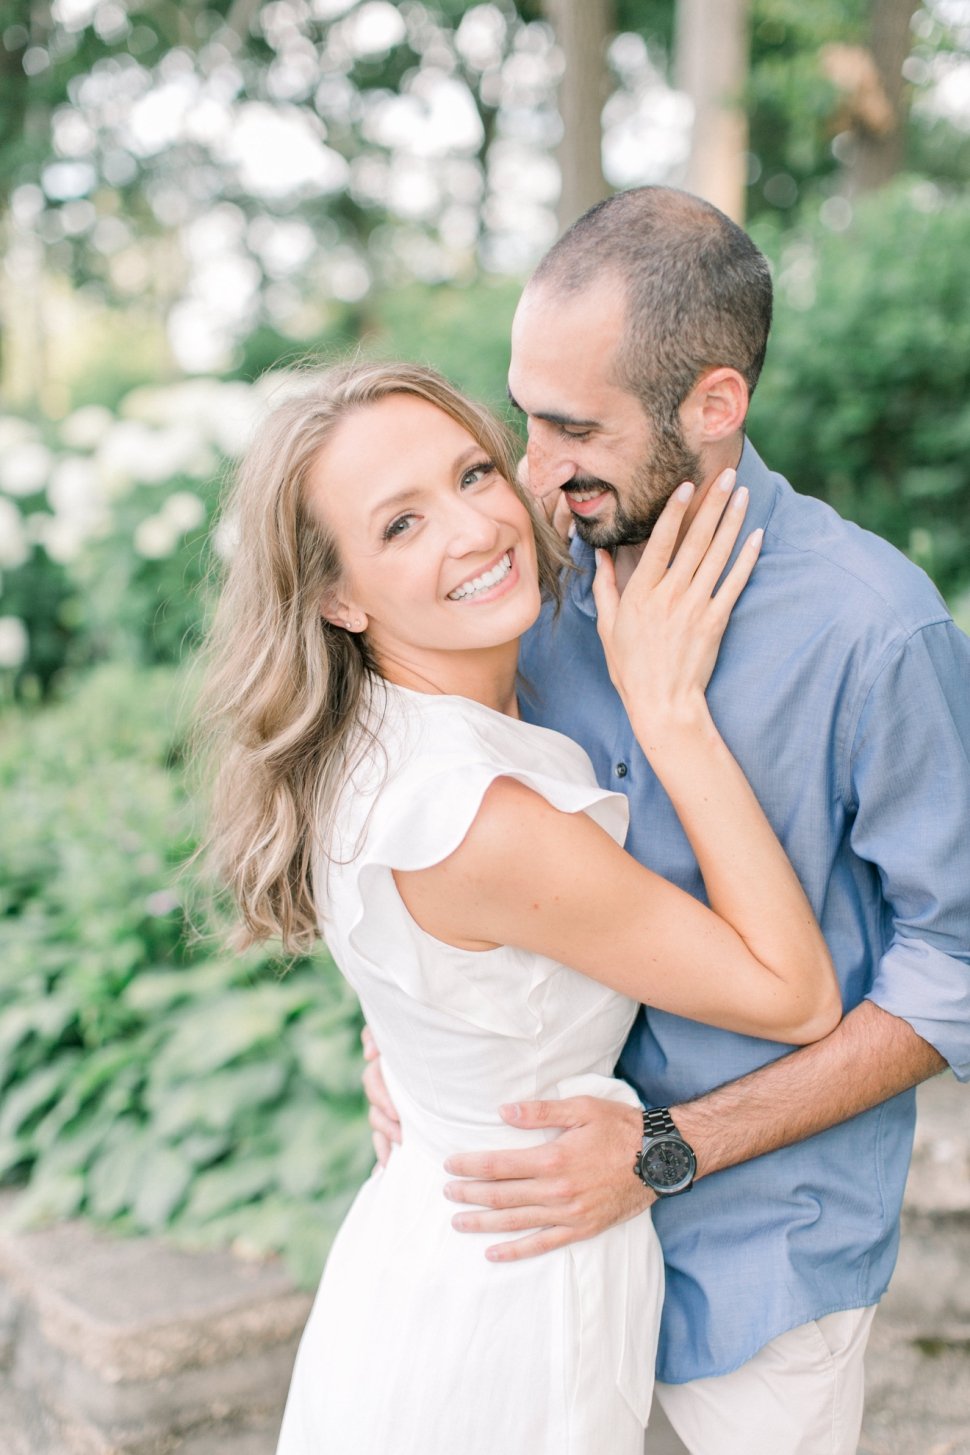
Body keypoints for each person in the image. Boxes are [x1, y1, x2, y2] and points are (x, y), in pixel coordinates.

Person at [362, 187, 970, 1455]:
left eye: (573, 429)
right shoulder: (516, 574)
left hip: (763, 1260)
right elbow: (430, 800)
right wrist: (409, 1033)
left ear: (713, 406)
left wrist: (669, 1148)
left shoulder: (874, 630)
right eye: (521, 417)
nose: (528, 473)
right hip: (522, 1255)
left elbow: (955, 968)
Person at [197, 358, 842, 1455]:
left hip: (427, 1249)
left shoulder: (376, 733)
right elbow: (793, 996)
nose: (473, 529)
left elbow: (435, 953)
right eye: (400, 525)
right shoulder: (482, 815)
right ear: (338, 597)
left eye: (472, 474)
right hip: (512, 1293)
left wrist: (414, 1048)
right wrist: (670, 710)